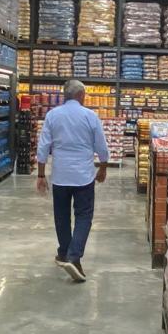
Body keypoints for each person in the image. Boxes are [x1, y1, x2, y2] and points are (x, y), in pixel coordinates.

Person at [35, 79, 111, 282]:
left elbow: (43, 147)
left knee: (61, 216)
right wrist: (103, 167)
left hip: (60, 175)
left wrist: (41, 175)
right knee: (84, 215)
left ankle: (64, 252)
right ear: (80, 95)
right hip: (83, 176)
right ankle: (74, 256)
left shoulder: (52, 115)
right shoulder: (90, 116)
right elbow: (101, 146)